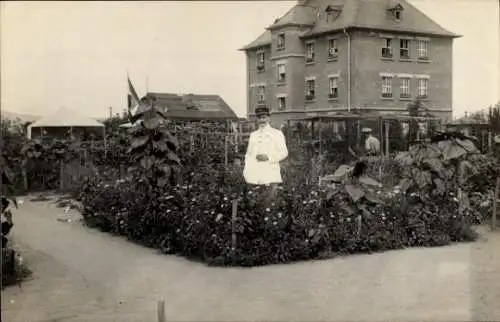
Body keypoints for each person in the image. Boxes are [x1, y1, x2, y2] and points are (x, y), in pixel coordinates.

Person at [243, 106, 288, 203]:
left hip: (270, 174)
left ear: (268, 118)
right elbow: (248, 154)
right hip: (254, 176)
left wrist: (268, 157)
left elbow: (284, 152)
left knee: (270, 204)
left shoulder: (277, 134)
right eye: (259, 118)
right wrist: (246, 171)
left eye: (264, 117)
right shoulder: (253, 135)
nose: (261, 120)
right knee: (254, 204)